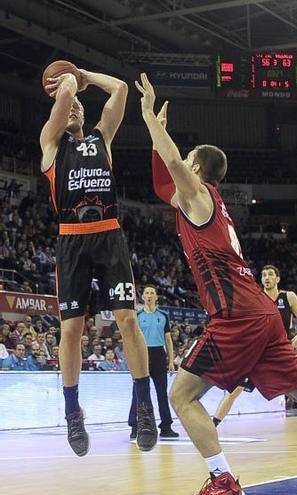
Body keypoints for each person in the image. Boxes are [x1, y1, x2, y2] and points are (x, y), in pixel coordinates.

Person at [136, 74, 297, 495]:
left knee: (182, 396)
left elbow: (172, 169)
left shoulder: (201, 196)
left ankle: (223, 480)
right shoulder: (202, 203)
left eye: (186, 159)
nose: (180, 164)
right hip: (260, 312)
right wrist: (157, 138)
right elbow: (161, 182)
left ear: (198, 168)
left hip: (236, 315)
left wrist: (150, 118)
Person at [39, 67, 157, 456]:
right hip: (71, 240)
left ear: (86, 113)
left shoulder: (102, 138)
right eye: (66, 105)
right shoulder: (51, 143)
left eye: (77, 107)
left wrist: (83, 75)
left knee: (127, 320)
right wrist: (67, 86)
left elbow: (121, 89)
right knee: (71, 329)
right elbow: (62, 100)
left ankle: (144, 406)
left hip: (109, 235)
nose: (72, 108)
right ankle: (73, 412)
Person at [212, 265, 297, 447]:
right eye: (264, 274)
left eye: (271, 274)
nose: (266, 277)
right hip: (255, 352)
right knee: (233, 392)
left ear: (277, 279)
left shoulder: (288, 297)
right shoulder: (255, 298)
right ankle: (212, 428)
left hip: (280, 352)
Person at [128, 285, 178, 440]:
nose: (149, 295)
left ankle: (166, 427)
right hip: (141, 354)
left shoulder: (163, 315)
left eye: (152, 293)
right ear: (142, 297)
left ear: (156, 297)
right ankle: (135, 426)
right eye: (147, 293)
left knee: (162, 393)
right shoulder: (137, 315)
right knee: (138, 392)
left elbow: (168, 339)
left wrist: (171, 360)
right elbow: (132, 338)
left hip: (158, 355)